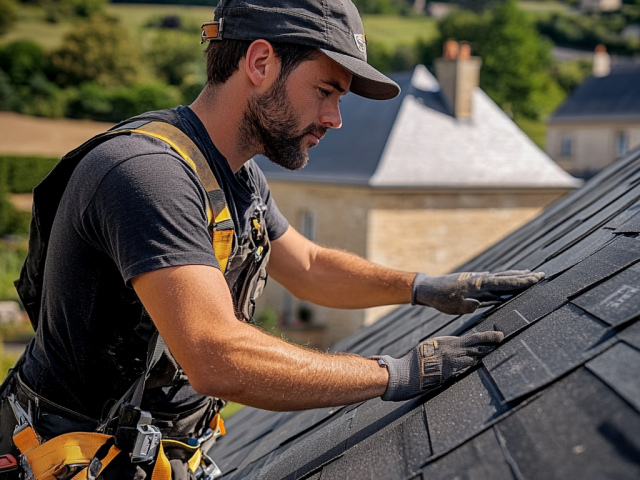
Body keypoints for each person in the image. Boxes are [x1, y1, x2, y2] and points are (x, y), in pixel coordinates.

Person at [0, 0, 544, 477]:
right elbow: (218, 357)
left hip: (149, 456)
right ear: (260, 63)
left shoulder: (236, 175)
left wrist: (424, 287)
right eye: (325, 91)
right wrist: (396, 373)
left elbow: (307, 266)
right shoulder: (147, 175)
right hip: (70, 457)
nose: (335, 119)